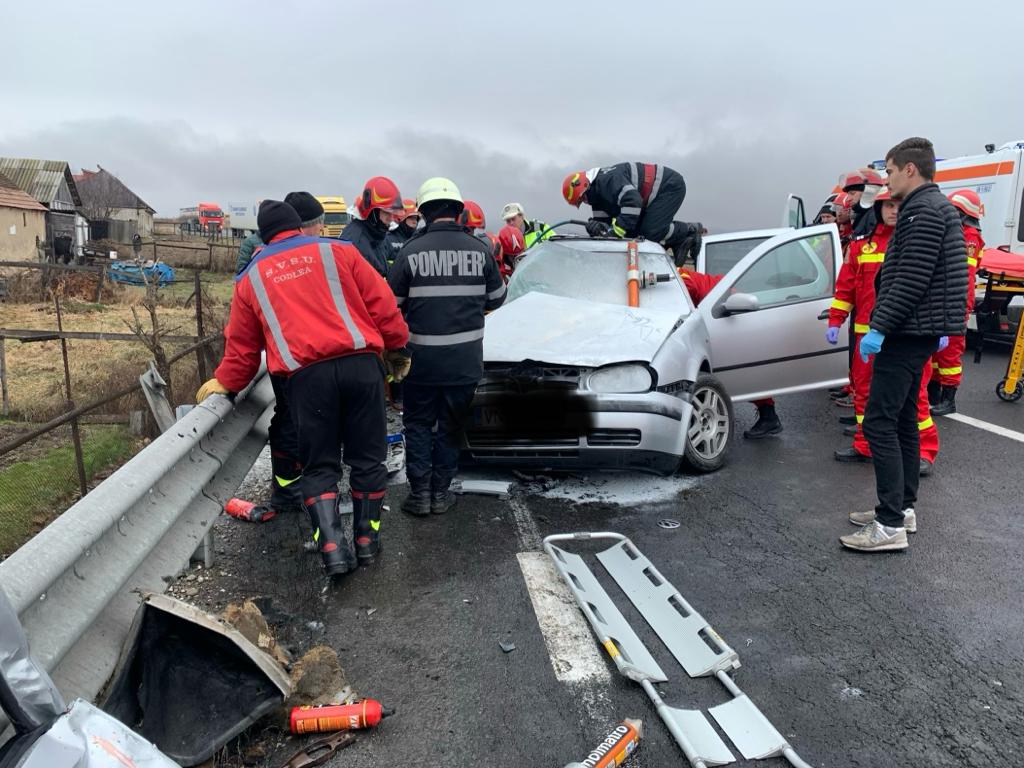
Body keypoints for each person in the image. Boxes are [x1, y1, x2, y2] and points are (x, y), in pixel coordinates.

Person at [197, 200, 409, 576]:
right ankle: (367, 541)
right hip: (362, 368)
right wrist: (394, 346)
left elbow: (243, 350)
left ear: (264, 235)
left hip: (307, 380)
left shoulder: (250, 278)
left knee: (319, 465)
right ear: (299, 225)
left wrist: (225, 383)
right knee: (367, 459)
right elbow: (384, 307)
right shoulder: (340, 252)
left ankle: (332, 550)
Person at [840, 138, 967, 553]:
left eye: (891, 171)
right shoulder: (932, 209)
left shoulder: (922, 213)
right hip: (918, 332)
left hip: (905, 333)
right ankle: (903, 507)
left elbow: (909, 281)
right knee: (902, 420)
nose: (887, 181)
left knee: (878, 421)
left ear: (909, 170)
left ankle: (889, 523)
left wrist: (878, 328)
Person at [389, 178, 506, 516]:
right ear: (458, 211)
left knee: (418, 425)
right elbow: (498, 299)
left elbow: (391, 304)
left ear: (423, 212)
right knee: (451, 427)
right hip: (464, 363)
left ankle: (419, 496)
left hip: (421, 364)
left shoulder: (411, 251)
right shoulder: (480, 250)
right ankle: (441, 494)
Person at [827, 188, 939, 475]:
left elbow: (933, 286)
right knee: (864, 394)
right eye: (887, 205)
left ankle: (924, 452)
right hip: (867, 335)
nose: (893, 210)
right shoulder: (860, 245)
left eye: (898, 205)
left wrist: (940, 327)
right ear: (877, 209)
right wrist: (835, 319)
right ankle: (866, 445)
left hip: (907, 336)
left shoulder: (918, 242)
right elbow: (846, 287)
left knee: (915, 397)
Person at [676, 267, 782, 438]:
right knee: (737, 367)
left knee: (733, 368)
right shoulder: (677, 272)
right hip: (724, 304)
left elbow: (689, 293)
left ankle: (767, 417)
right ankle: (768, 416)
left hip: (726, 308)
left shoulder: (678, 279)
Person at [563, 162, 704, 262]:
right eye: (581, 202)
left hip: (669, 186)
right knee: (633, 234)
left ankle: (688, 230)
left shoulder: (607, 180)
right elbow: (606, 232)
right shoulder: (597, 197)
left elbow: (633, 202)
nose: (585, 202)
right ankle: (678, 241)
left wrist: (614, 232)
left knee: (650, 232)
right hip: (649, 198)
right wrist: (595, 230)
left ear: (586, 186)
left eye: (583, 197)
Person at [930, 188, 986, 415]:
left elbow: (962, 274)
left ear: (962, 213)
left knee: (950, 353)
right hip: (944, 298)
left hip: (956, 300)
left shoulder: (969, 236)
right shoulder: (957, 232)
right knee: (935, 351)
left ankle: (948, 399)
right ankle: (933, 392)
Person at [342, 176, 404, 277]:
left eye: (393, 213)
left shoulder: (374, 232)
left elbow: (380, 266)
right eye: (387, 213)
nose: (391, 218)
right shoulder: (357, 242)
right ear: (372, 212)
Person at [384, 198, 420, 267]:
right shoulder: (387, 240)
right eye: (411, 218)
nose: (415, 221)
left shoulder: (418, 240)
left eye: (416, 218)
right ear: (401, 219)